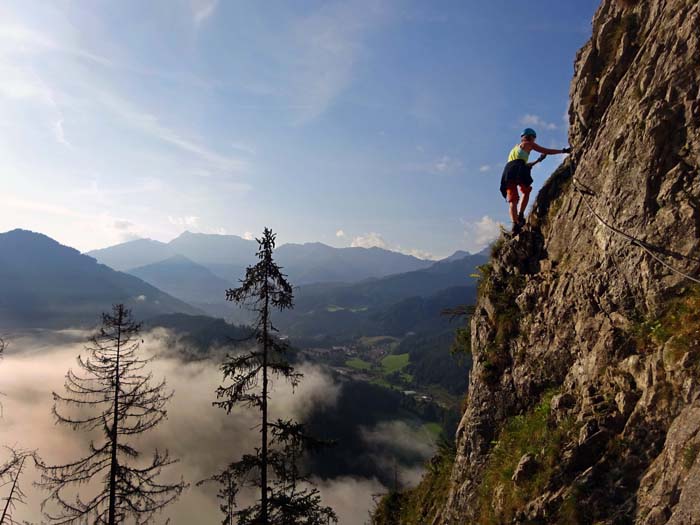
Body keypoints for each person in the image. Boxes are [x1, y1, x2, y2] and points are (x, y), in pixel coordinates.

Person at [500, 128, 571, 234]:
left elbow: (522, 163)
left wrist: (538, 160)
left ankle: (515, 225)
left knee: (513, 200)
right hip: (519, 170)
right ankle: (520, 215)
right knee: (526, 191)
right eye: (534, 138)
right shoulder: (528, 144)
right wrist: (563, 151)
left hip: (508, 172)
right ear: (530, 137)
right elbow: (546, 151)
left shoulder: (515, 149)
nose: (534, 140)